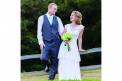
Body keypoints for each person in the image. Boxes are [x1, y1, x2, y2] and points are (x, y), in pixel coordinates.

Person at [37, 3, 64, 80]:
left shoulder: (57, 19)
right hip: (45, 42)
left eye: (56, 9)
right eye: (54, 9)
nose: (56, 10)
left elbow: (61, 32)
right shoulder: (41, 18)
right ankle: (48, 65)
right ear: (49, 8)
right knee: (43, 58)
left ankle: (51, 78)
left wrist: (65, 39)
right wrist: (40, 42)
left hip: (56, 43)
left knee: (55, 61)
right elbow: (39, 32)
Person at [58, 11, 85, 80]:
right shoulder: (67, 26)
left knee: (73, 60)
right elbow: (61, 34)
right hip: (65, 45)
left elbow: (79, 38)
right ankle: (64, 77)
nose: (71, 16)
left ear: (77, 17)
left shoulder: (81, 27)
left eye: (72, 15)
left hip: (73, 46)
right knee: (65, 60)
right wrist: (65, 39)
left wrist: (80, 48)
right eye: (71, 15)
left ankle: (73, 77)